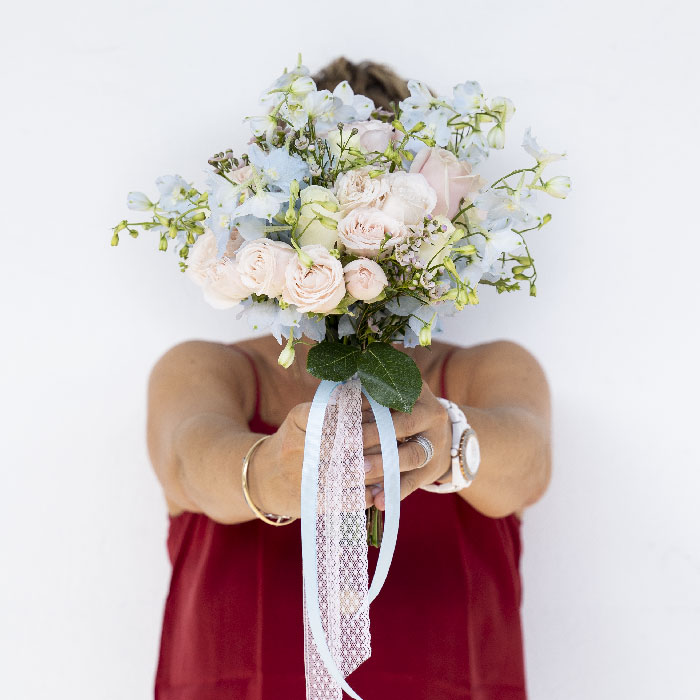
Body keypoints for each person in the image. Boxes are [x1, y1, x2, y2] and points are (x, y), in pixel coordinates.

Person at [147, 59, 552, 700]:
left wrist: (450, 442)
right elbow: (190, 462)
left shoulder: (484, 370)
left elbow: (527, 466)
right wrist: (271, 472)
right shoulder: (209, 369)